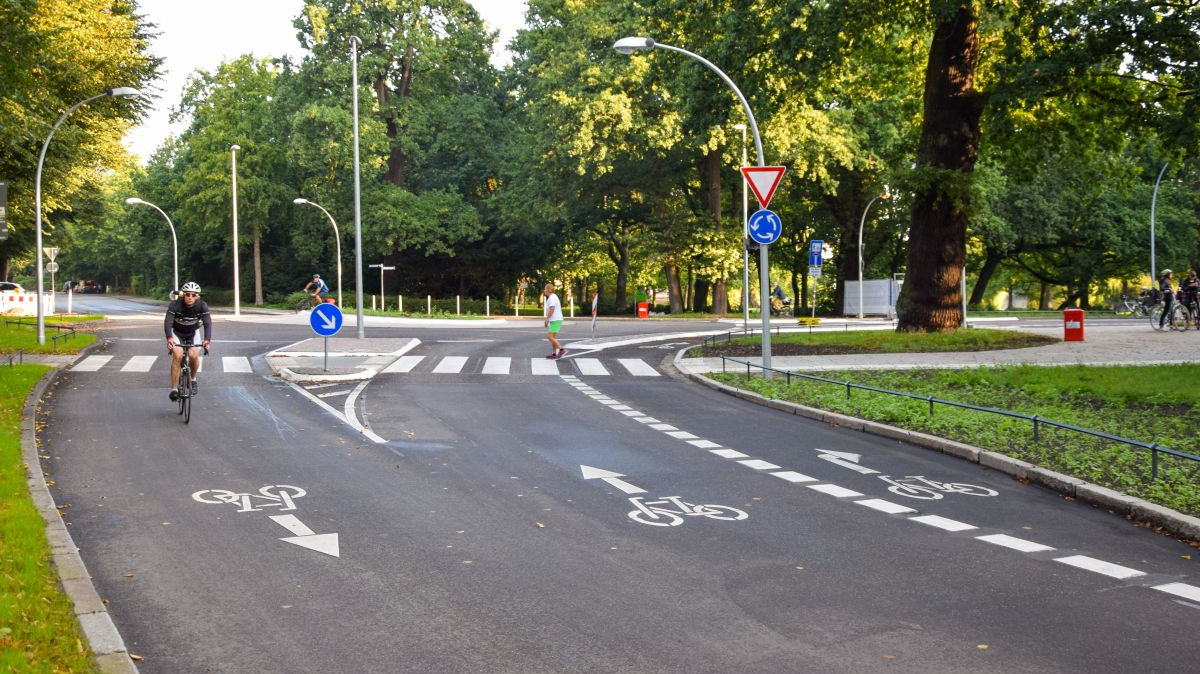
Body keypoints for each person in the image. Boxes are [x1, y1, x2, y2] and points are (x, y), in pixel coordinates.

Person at [164, 281, 212, 402]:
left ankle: (193, 379)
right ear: (182, 295)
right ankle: (174, 389)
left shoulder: (202, 305)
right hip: (177, 333)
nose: (190, 297)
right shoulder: (175, 305)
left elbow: (207, 324)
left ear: (197, 296)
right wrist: (169, 338)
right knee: (178, 355)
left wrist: (207, 340)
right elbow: (168, 322)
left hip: (193, 333)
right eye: (187, 294)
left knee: (193, 355)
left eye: (193, 295)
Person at [542, 283, 565, 359]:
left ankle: (561, 349)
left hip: (555, 320)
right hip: (556, 319)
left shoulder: (551, 298)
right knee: (553, 338)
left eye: (545, 289)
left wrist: (546, 319)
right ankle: (554, 354)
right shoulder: (553, 296)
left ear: (548, 289)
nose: (544, 290)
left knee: (549, 337)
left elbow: (552, 309)